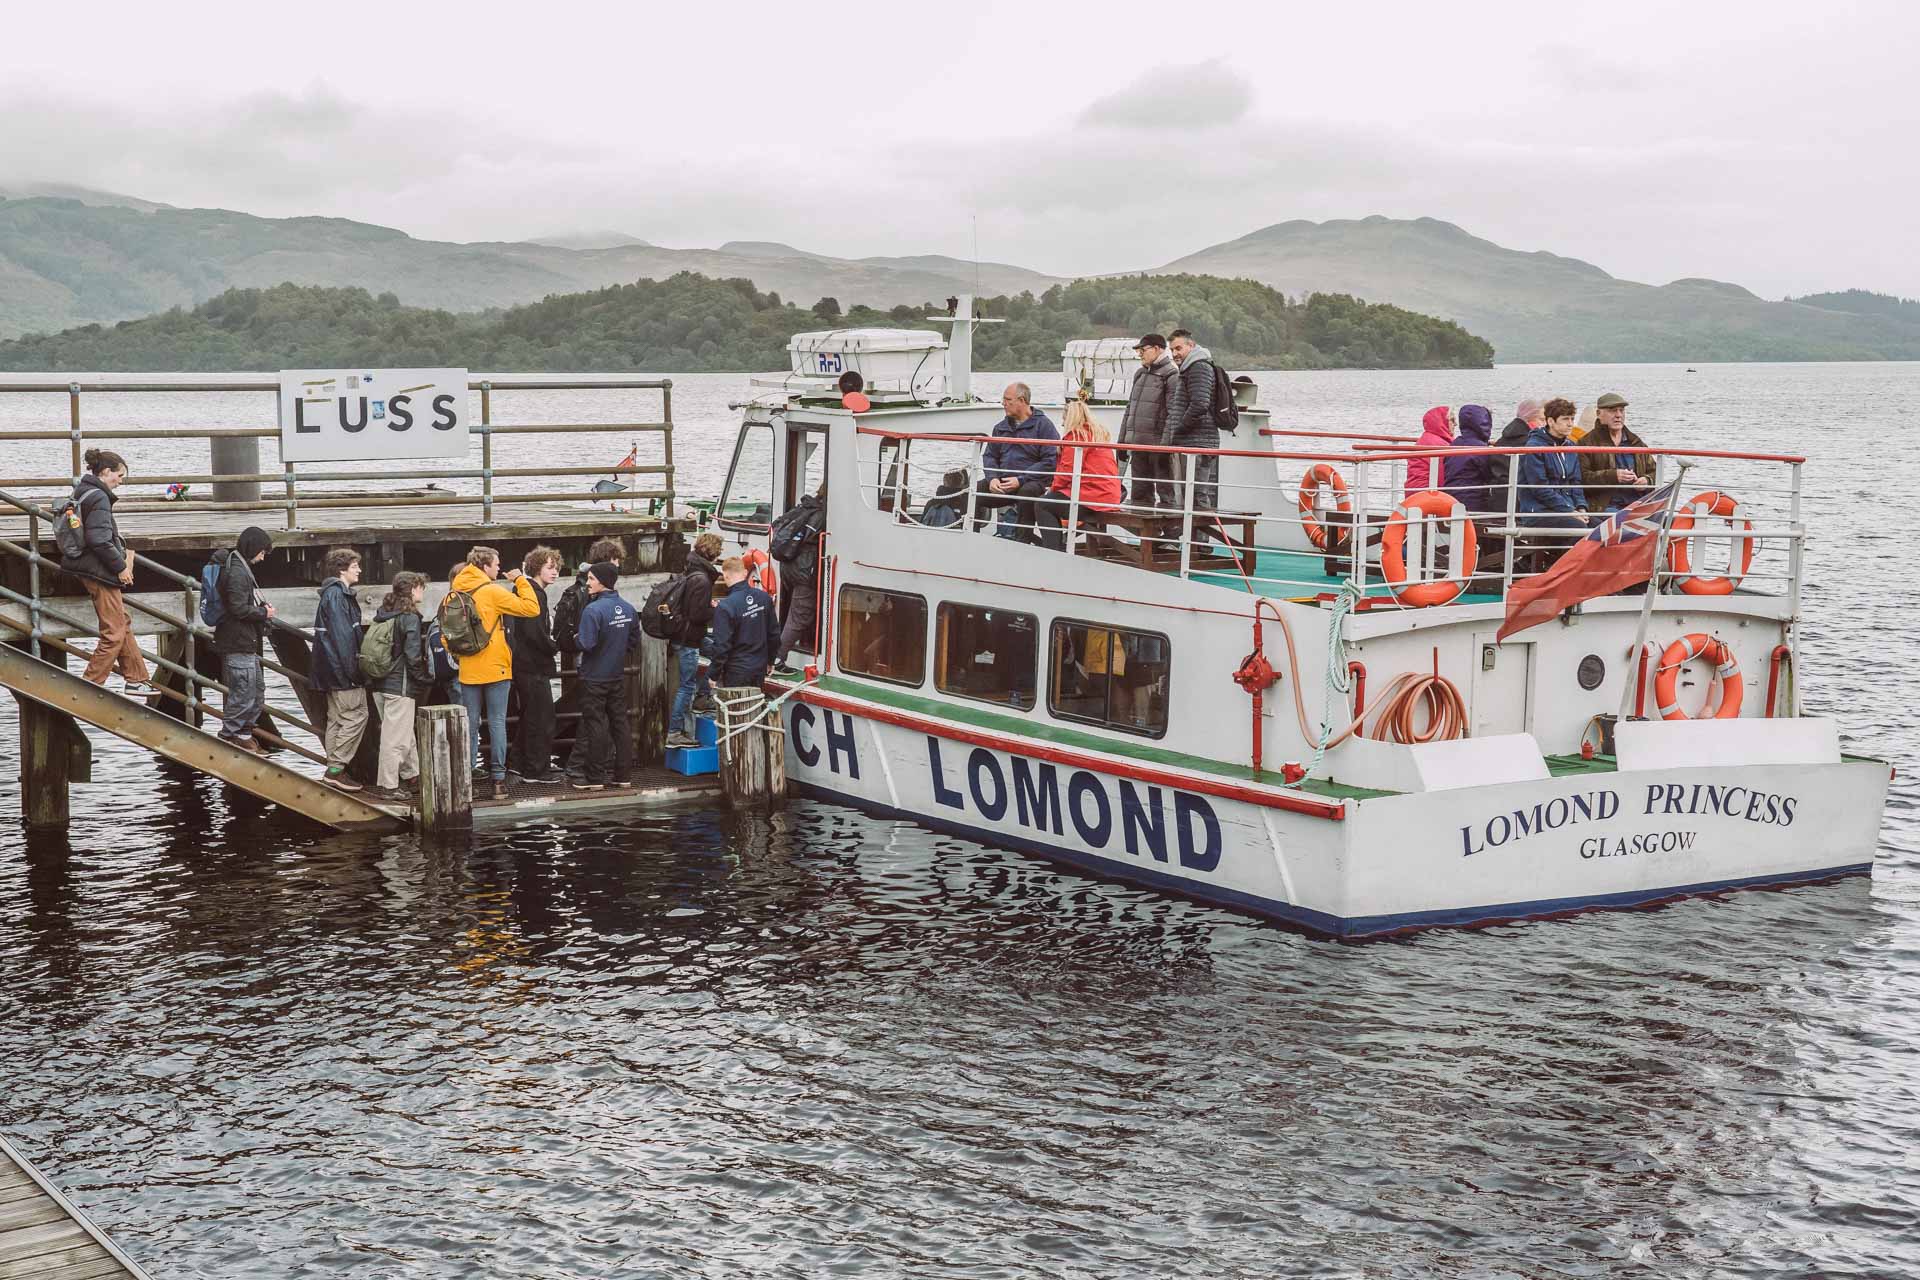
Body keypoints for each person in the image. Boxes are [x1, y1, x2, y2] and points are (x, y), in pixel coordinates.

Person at [448, 545, 542, 801]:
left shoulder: (455, 591)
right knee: (498, 722)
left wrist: (462, 655)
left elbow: (448, 636)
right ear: (484, 565)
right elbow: (531, 608)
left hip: (468, 670)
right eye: (496, 564)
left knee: (470, 724)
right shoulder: (491, 591)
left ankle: (465, 779)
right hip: (497, 668)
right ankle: (498, 781)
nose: (499, 568)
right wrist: (521, 580)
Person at [62, 449, 154, 695]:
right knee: (113, 632)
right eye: (119, 475)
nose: (121, 480)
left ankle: (136, 678)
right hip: (99, 570)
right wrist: (121, 567)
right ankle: (89, 687)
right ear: (105, 472)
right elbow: (100, 540)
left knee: (121, 621)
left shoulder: (83, 491)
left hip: (88, 566)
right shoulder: (100, 498)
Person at [558, 538, 626, 778]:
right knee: (595, 720)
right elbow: (592, 635)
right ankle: (590, 767)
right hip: (597, 664)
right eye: (616, 560)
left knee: (593, 718)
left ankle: (587, 765)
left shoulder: (583, 585)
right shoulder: (596, 591)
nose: (619, 565)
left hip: (593, 662)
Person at [209, 525, 275, 752]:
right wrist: (264, 613)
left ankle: (244, 731)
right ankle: (231, 734)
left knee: (256, 690)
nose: (263, 557)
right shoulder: (237, 572)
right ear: (253, 548)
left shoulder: (239, 567)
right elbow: (237, 608)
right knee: (243, 692)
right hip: (237, 642)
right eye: (262, 552)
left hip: (246, 642)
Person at [570, 562, 636, 791]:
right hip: (616, 675)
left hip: (594, 677)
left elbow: (586, 643)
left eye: (591, 579)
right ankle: (623, 775)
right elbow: (632, 642)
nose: (587, 583)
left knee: (595, 725)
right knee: (620, 724)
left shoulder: (593, 610)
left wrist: (576, 638)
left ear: (603, 581)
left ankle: (595, 778)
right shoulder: (627, 608)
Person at [368, 570, 433, 802]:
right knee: (395, 739)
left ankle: (412, 776)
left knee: (403, 733)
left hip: (379, 683)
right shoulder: (410, 617)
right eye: (421, 586)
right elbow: (413, 656)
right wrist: (426, 678)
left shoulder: (384, 612)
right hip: (400, 685)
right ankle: (388, 786)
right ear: (414, 588)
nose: (423, 591)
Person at [970, 383, 1059, 544]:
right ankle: (971, 538)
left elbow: (1050, 461)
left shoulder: (1044, 426)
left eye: (1008, 400)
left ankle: (1022, 542)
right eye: (1003, 399)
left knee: (1027, 493)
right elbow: (990, 456)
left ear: (1022, 401)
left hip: (1033, 481)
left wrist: (1021, 479)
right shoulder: (1000, 428)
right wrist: (993, 478)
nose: (1003, 403)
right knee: (973, 492)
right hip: (1003, 481)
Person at [311, 548, 369, 791]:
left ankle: (333, 768)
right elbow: (343, 639)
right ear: (341, 569)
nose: (360, 570)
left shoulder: (331, 594)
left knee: (336, 718)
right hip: (341, 672)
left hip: (328, 672)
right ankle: (336, 769)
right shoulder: (338, 596)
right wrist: (354, 673)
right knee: (357, 715)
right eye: (355, 566)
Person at [507, 546, 564, 784]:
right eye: (550, 567)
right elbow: (535, 632)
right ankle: (536, 770)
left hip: (520, 663)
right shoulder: (535, 593)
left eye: (557, 568)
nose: (555, 573)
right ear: (536, 567)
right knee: (542, 718)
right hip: (533, 664)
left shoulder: (521, 589)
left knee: (530, 715)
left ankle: (518, 763)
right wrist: (554, 646)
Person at [1036, 398, 1123, 551]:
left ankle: (1053, 550)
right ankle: (1057, 546)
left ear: (1069, 419)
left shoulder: (1076, 436)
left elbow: (1067, 471)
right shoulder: (1097, 434)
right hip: (1108, 495)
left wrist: (1053, 489)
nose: (1062, 424)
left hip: (1091, 495)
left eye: (1063, 420)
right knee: (1050, 503)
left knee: (1043, 505)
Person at [668, 532, 724, 748]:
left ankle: (704, 695)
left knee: (719, 652)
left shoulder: (692, 570)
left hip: (686, 634)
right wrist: (714, 610)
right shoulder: (702, 580)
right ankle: (675, 732)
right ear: (713, 553)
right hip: (690, 638)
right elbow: (696, 615)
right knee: (686, 687)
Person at [1518, 398, 1591, 560]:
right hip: (1538, 512)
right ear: (1550, 421)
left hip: (1566, 509)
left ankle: (1592, 575)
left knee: (1602, 526)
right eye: (1565, 419)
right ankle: (1563, 573)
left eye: (1572, 418)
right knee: (1578, 528)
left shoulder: (1570, 447)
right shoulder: (1535, 447)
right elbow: (1540, 488)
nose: (1571, 424)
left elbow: (1575, 482)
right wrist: (1569, 511)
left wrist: (1581, 507)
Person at [1162, 329, 1220, 514]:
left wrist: (1179, 428)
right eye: (1172, 350)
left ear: (1191, 345)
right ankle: (1193, 540)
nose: (1175, 353)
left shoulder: (1199, 367)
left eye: (1178, 348)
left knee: (1198, 494)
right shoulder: (1189, 368)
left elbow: (1200, 404)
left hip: (1199, 442)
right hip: (1192, 441)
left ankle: (1200, 542)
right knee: (1191, 494)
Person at [1118, 334, 1176, 510]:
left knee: (1166, 492)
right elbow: (1130, 410)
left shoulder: (1171, 374)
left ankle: (1170, 534)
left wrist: (1165, 445)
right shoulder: (1140, 374)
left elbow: (1173, 413)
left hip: (1158, 445)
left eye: (1143, 350)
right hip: (1137, 445)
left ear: (1157, 349)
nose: (1140, 354)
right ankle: (1147, 536)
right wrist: (1122, 442)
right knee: (1140, 494)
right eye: (1139, 351)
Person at [703, 556, 779, 688]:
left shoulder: (725, 607)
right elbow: (774, 634)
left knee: (736, 708)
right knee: (754, 707)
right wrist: (770, 660)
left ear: (725, 576)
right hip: (759, 668)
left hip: (737, 671)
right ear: (745, 573)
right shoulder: (763, 598)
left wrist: (713, 674)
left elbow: (721, 646)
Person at [774, 486, 827, 672]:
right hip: (805, 571)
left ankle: (777, 652)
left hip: (788, 568)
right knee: (800, 616)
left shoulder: (804, 508)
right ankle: (777, 659)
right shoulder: (821, 515)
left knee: (793, 613)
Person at [1578, 392, 1654, 511]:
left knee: (1669, 521)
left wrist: (1646, 480)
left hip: (1638, 504)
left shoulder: (1636, 442)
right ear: (1598, 414)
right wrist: (1613, 476)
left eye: (1621, 410)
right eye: (1612, 410)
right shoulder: (1586, 443)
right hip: (1604, 506)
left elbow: (1655, 471)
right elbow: (1581, 479)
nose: (1618, 415)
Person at [1443, 405, 1497, 519]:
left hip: (1450, 500)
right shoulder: (1481, 450)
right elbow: (1490, 475)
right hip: (1474, 504)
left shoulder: (1454, 445)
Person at [1488, 399, 1543, 506]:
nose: (1545, 424)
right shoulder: (1531, 443)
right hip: (1522, 501)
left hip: (1498, 499)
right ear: (1529, 419)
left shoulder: (1501, 441)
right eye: (1542, 419)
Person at [1406, 406, 1456, 495]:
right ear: (1442, 422)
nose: (1455, 424)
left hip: (1413, 492)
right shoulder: (1440, 445)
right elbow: (1443, 478)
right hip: (1427, 494)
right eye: (1452, 420)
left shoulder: (1425, 439)